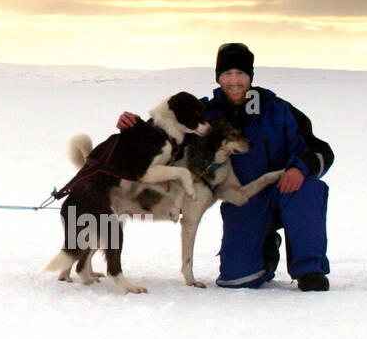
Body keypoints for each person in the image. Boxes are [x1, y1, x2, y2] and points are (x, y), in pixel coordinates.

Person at [116, 43, 333, 291]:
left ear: (250, 76)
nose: (234, 81)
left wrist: (300, 168)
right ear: (218, 77)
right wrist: (133, 126)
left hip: (281, 190)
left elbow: (320, 151)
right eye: (227, 74)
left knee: (309, 188)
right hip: (242, 201)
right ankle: (264, 247)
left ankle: (308, 270)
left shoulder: (278, 110)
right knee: (236, 279)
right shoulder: (204, 112)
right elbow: (163, 130)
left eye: (241, 73)